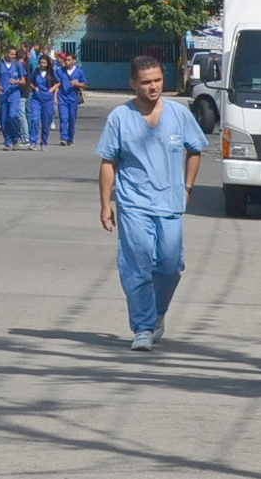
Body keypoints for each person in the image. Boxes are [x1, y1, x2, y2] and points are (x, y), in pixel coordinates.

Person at [97, 54, 208, 351]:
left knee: (170, 266)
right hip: (133, 204)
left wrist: (187, 186)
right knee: (137, 266)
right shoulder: (120, 118)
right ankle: (143, 327)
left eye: (158, 80)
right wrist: (106, 204)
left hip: (170, 203)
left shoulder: (179, 114)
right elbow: (108, 161)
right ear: (133, 83)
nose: (153, 87)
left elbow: (195, 149)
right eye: (146, 82)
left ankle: (157, 313)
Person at [0, 49, 25, 150]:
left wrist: (17, 82)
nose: (13, 56)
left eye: (14, 54)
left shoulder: (18, 65)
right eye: (11, 54)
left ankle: (16, 137)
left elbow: (24, 81)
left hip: (14, 94)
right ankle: (8, 141)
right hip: (2, 94)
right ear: (6, 53)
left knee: (13, 116)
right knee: (3, 119)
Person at [56, 53, 88, 146]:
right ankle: (63, 138)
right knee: (63, 118)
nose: (66, 62)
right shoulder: (60, 71)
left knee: (72, 119)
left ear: (74, 61)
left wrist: (77, 84)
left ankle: (70, 138)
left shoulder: (79, 72)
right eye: (66, 60)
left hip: (73, 99)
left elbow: (85, 84)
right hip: (62, 98)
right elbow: (57, 84)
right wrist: (55, 96)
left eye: (69, 60)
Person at [27, 55, 57, 149]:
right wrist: (34, 87)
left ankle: (44, 142)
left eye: (44, 63)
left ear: (48, 64)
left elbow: (58, 83)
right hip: (36, 99)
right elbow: (30, 81)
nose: (42, 65)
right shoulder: (35, 72)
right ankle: (33, 142)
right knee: (35, 119)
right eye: (41, 63)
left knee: (46, 122)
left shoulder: (51, 73)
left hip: (47, 100)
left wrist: (51, 90)